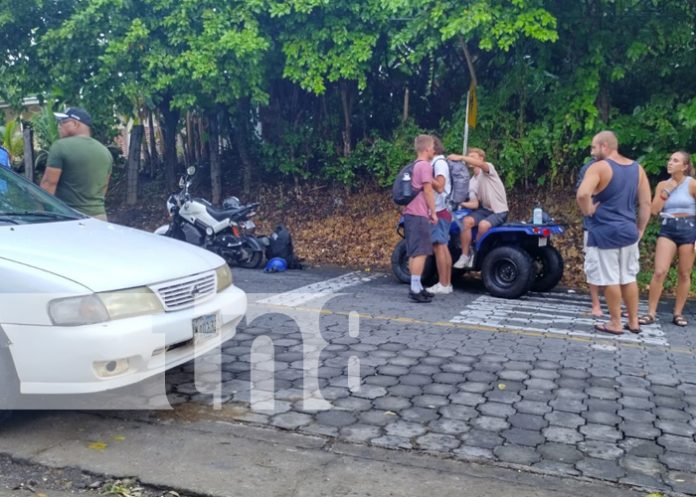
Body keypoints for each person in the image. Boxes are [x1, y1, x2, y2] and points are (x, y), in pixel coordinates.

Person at [576, 131, 651, 335]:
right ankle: (634, 321)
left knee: (610, 278)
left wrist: (588, 209)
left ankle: (615, 323)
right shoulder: (638, 169)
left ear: (605, 146)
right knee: (628, 277)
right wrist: (641, 229)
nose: (592, 151)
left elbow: (583, 193)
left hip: (604, 232)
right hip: (628, 231)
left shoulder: (599, 167)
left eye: (594, 147)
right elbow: (645, 204)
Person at [639, 151, 696, 327]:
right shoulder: (663, 184)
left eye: (675, 160)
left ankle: (678, 313)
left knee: (684, 273)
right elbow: (654, 209)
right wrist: (666, 191)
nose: (670, 163)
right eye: (669, 159)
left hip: (689, 227)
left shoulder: (692, 184)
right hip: (668, 227)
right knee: (659, 271)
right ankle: (650, 312)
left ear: (685, 166)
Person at [40, 107, 113, 220]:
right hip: (99, 217)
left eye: (63, 122)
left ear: (75, 123)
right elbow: (103, 188)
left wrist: (44, 214)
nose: (59, 126)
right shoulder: (105, 151)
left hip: (69, 218)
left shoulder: (60, 146)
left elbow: (49, 184)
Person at [448, 148, 509, 268]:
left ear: (481, 158)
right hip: (485, 210)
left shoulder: (488, 169)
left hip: (499, 210)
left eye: (473, 156)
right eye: (469, 156)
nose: (470, 159)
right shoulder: (472, 182)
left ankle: (476, 252)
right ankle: (465, 255)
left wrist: (460, 157)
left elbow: (480, 165)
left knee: (483, 225)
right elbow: (475, 204)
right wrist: (459, 203)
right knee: (466, 221)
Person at [404, 134, 437, 303]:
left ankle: (415, 285)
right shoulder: (424, 166)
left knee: (414, 251)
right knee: (421, 251)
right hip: (418, 214)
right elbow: (428, 190)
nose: (434, 150)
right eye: (432, 147)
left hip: (410, 213)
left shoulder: (414, 165)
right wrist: (433, 211)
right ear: (426, 149)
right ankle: (415, 288)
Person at [576, 159, 604, 317]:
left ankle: (618, 306)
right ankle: (596, 306)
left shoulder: (620, 168)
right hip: (592, 224)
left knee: (615, 267)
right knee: (592, 264)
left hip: (613, 225)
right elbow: (581, 192)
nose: (592, 150)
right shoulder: (587, 167)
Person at [426, 137, 453, 295]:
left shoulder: (439, 163)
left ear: (434, 148)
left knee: (439, 246)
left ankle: (443, 284)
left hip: (440, 209)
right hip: (443, 209)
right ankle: (447, 283)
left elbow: (440, 186)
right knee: (442, 246)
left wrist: (424, 176)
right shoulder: (437, 162)